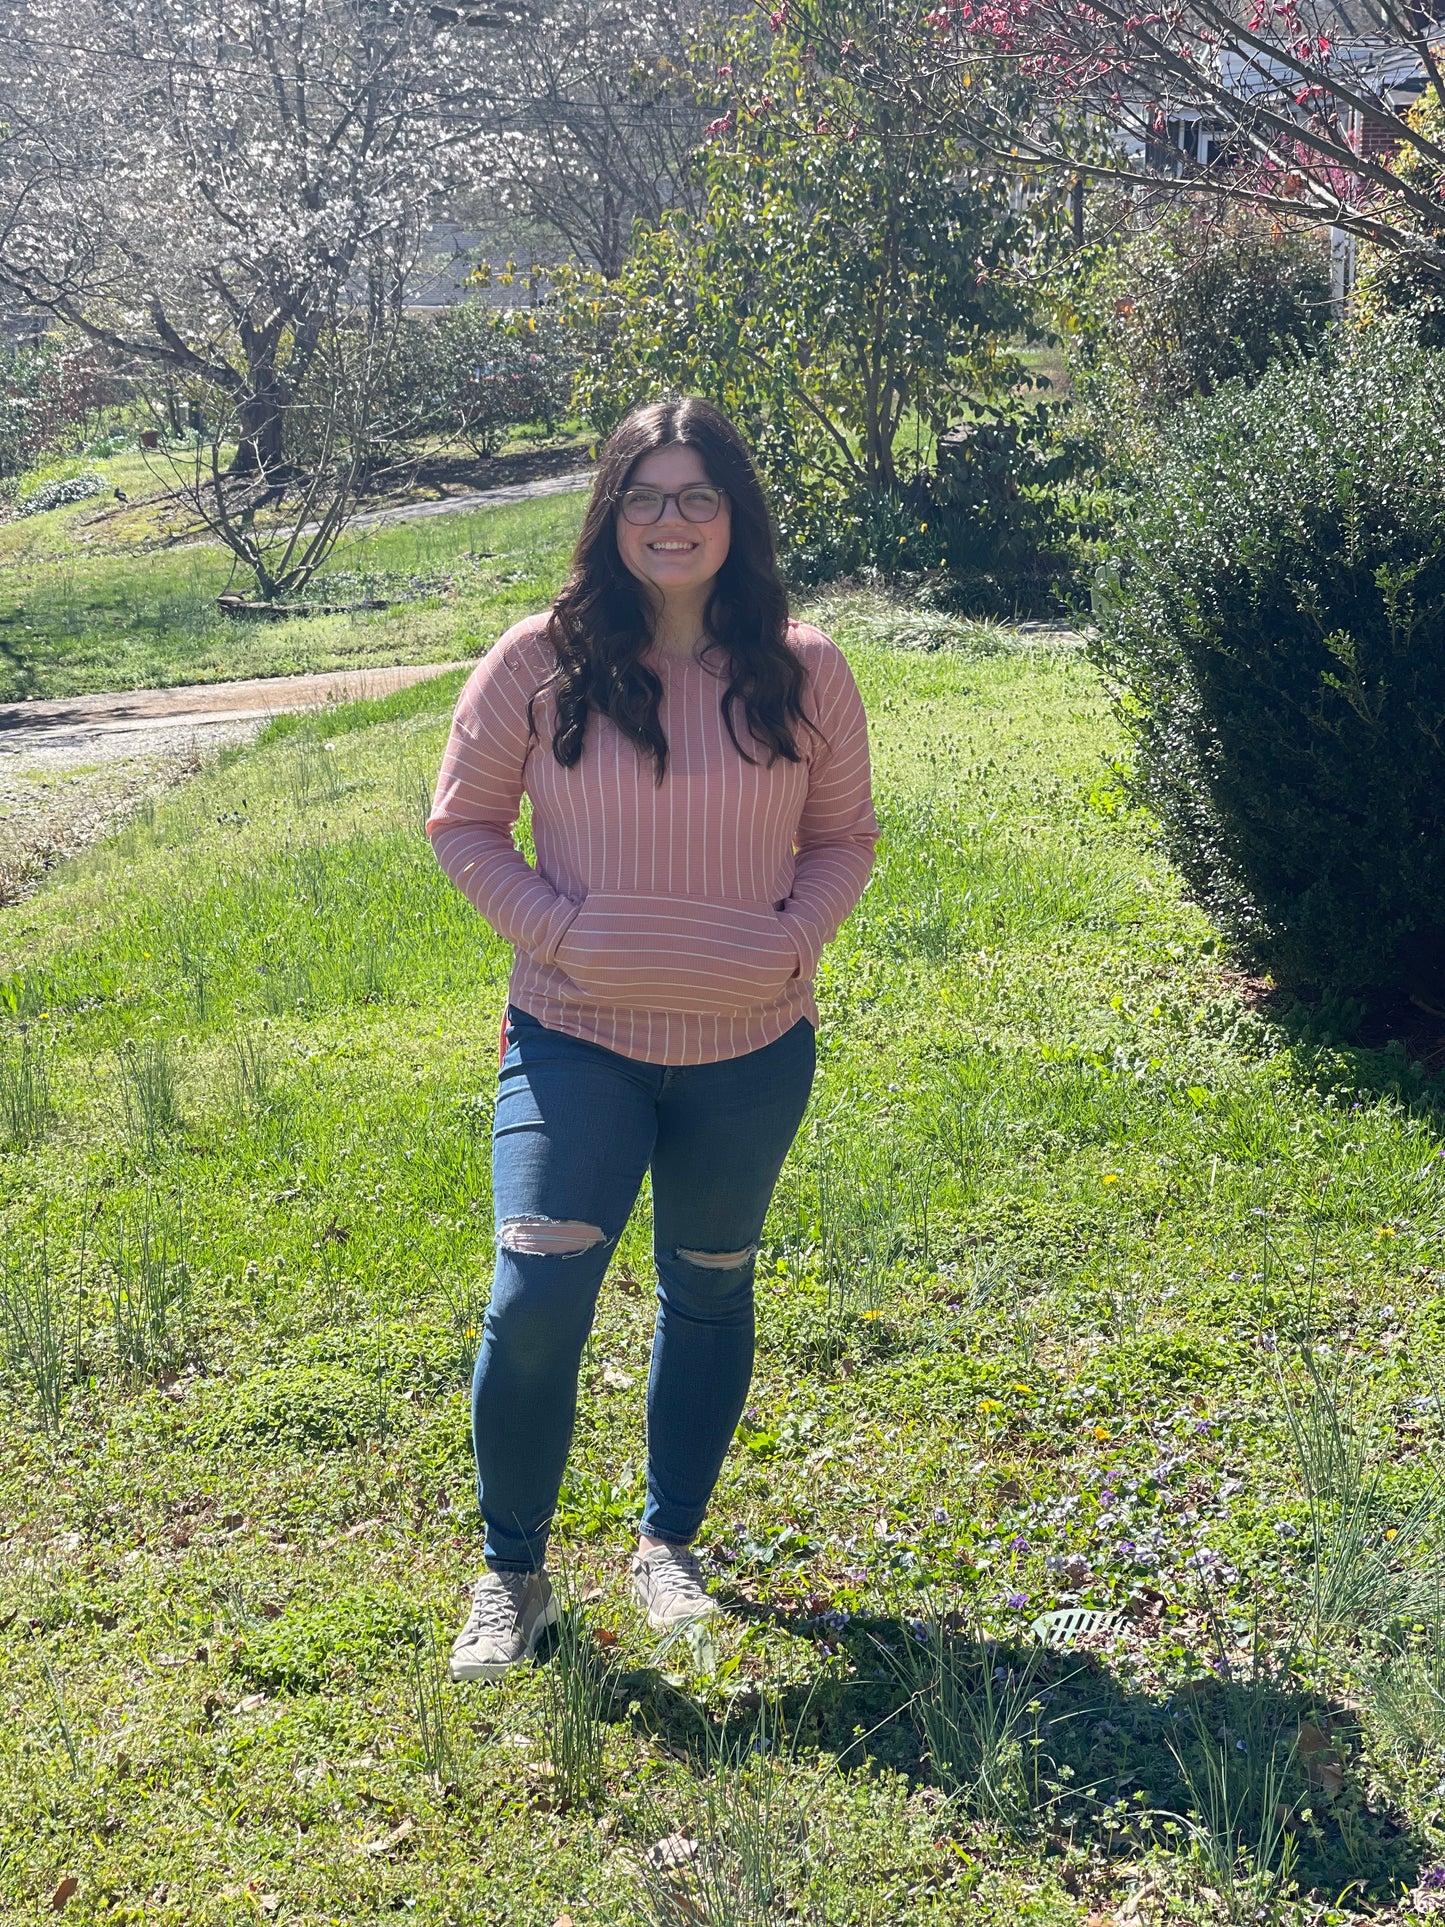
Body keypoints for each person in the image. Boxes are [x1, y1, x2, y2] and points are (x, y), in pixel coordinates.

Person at [426, 396, 878, 1682]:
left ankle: (666, 1544)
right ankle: (512, 1571)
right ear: (609, 516)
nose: (670, 521)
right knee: (534, 1296)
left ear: (734, 514)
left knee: (708, 1283)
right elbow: (461, 824)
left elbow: (844, 838)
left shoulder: (806, 667)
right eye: (645, 497)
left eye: (695, 497)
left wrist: (792, 940)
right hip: (574, 1039)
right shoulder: (536, 659)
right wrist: (559, 932)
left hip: (749, 1049)